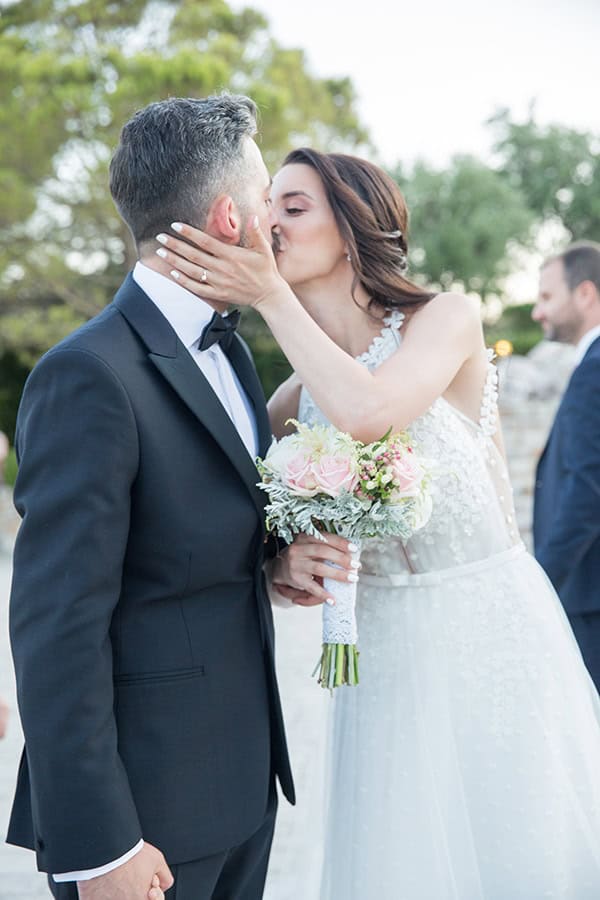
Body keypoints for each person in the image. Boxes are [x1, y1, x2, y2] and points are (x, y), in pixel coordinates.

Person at [158, 149, 600, 899]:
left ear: (356, 222)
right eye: (268, 209)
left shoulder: (447, 319)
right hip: (384, 655)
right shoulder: (299, 392)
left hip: (493, 632)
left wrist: (269, 296)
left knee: (523, 849)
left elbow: (368, 411)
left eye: (293, 209)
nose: (269, 225)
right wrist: (277, 564)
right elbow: (227, 504)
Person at [7, 97, 353, 900]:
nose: (276, 218)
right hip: (145, 820)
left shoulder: (233, 354)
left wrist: (273, 562)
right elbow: (56, 630)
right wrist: (101, 848)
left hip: (242, 792)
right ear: (230, 216)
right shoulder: (87, 374)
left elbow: (179, 540)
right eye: (269, 199)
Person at [531, 242, 600, 690]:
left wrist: (541, 582)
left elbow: (588, 487)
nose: (538, 312)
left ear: (586, 294)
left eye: (547, 297)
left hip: (588, 589)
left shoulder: (594, 369)